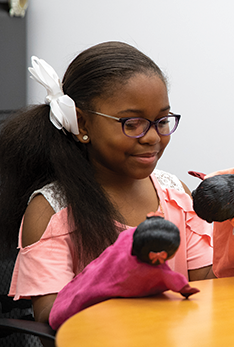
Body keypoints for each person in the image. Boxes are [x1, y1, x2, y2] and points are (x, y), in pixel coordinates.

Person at [0, 42, 214, 325]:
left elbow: (209, 293)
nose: (152, 137)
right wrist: (110, 275)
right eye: (133, 123)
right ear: (83, 124)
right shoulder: (52, 211)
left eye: (161, 120)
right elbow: (51, 319)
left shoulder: (177, 195)